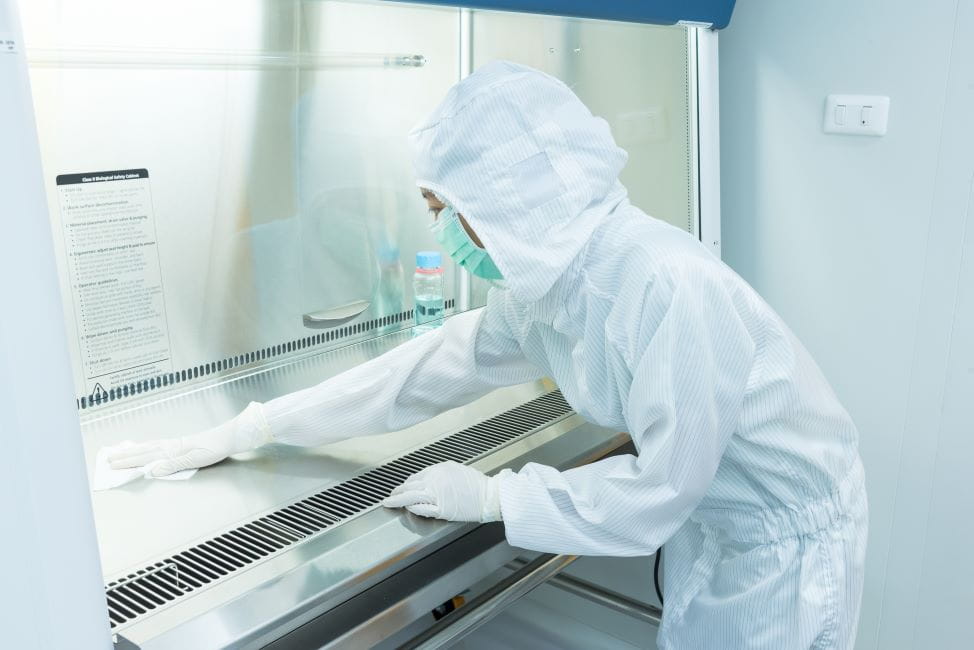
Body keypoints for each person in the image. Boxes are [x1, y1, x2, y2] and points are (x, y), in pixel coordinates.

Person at [110, 61, 868, 649]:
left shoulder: (665, 286)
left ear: (511, 206)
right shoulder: (552, 283)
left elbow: (657, 491)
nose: (435, 231)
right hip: (720, 526)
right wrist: (258, 426)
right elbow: (433, 367)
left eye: (441, 211)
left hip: (784, 547)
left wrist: (496, 498)